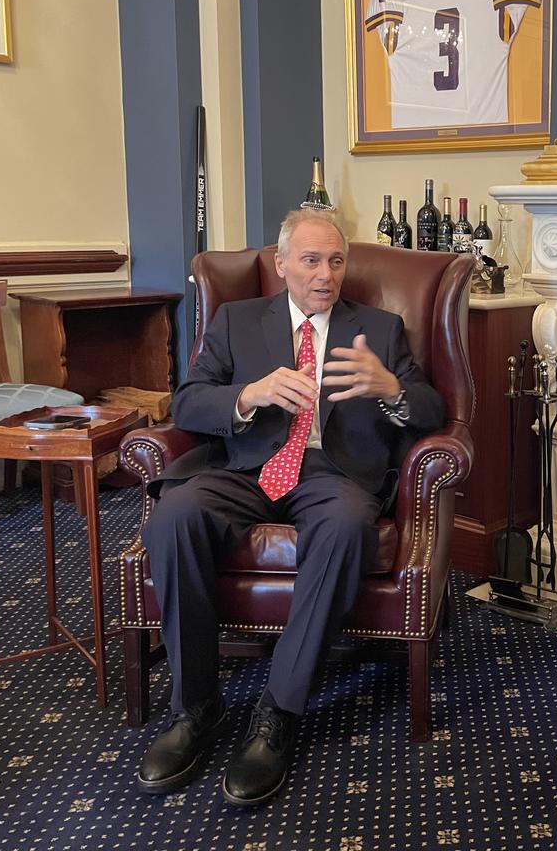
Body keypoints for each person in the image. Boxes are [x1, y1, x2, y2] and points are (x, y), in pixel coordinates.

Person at [135, 205, 445, 806]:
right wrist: (248, 395)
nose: (325, 274)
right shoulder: (237, 320)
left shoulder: (379, 329)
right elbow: (189, 403)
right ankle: (194, 707)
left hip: (332, 473)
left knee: (347, 526)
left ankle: (278, 710)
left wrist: (392, 389)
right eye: (310, 260)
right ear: (281, 264)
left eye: (336, 260)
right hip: (246, 468)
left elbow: (434, 410)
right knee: (175, 515)